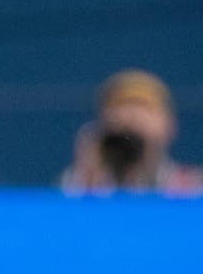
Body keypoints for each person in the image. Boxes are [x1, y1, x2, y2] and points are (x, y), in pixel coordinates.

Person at [60, 69, 201, 196]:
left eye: (145, 107)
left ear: (169, 125)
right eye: (121, 106)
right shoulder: (79, 183)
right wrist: (87, 174)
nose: (133, 116)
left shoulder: (192, 188)